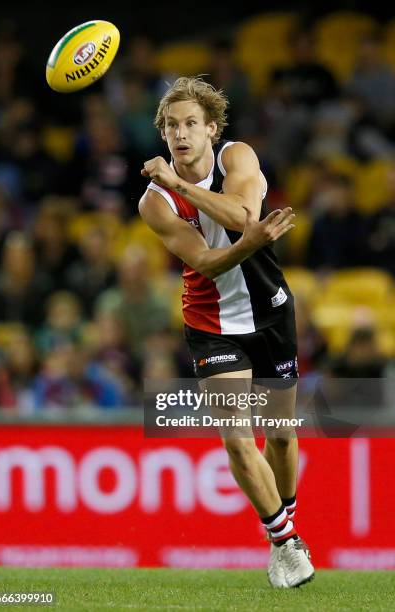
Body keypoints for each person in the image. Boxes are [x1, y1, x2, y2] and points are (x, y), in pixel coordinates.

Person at [138, 76, 314, 588]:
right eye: (171, 126)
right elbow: (210, 263)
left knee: (280, 437)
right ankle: (284, 544)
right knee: (238, 438)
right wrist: (250, 238)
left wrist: (183, 186)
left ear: (212, 129)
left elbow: (241, 215)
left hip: (271, 312)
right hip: (211, 323)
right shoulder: (154, 202)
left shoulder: (237, 157)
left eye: (191, 123)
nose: (180, 134)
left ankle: (290, 529)